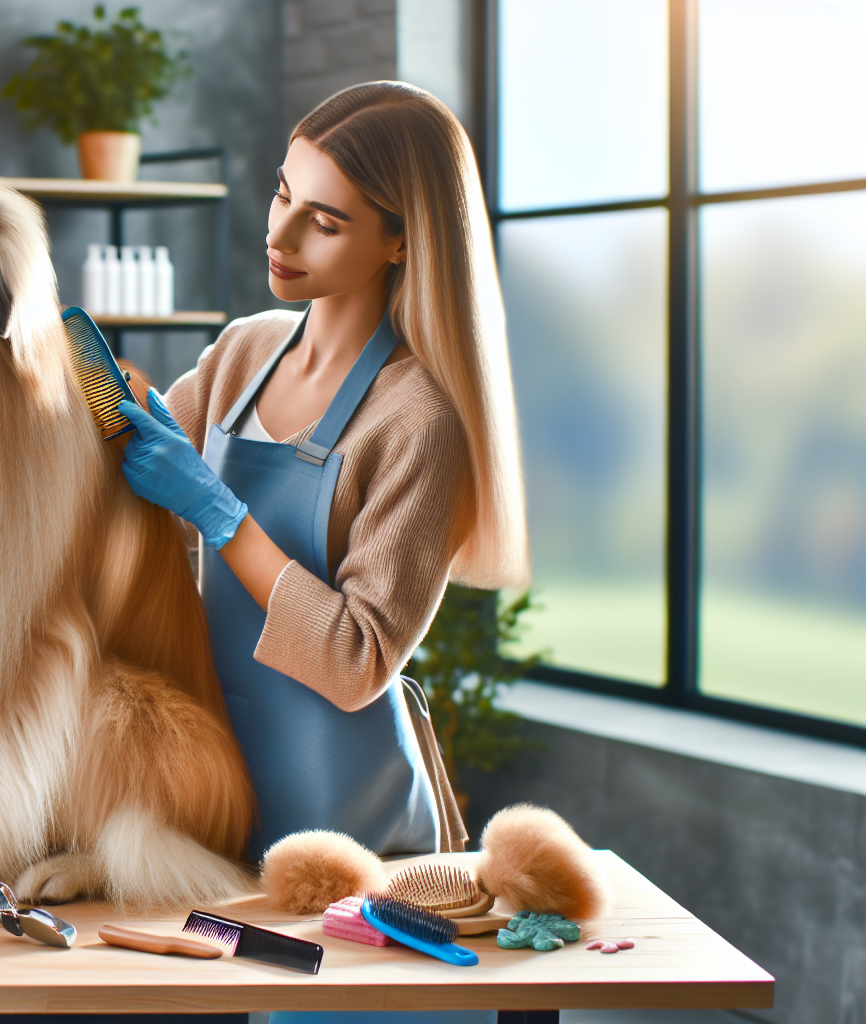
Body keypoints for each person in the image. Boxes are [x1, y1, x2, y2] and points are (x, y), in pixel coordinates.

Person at [117, 82, 529, 1024]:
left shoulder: (419, 418)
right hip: (220, 811)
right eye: (280, 195)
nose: (283, 236)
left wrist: (222, 517)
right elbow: (119, 490)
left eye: (325, 221)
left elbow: (355, 661)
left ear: (400, 240)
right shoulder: (241, 354)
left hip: (353, 836)